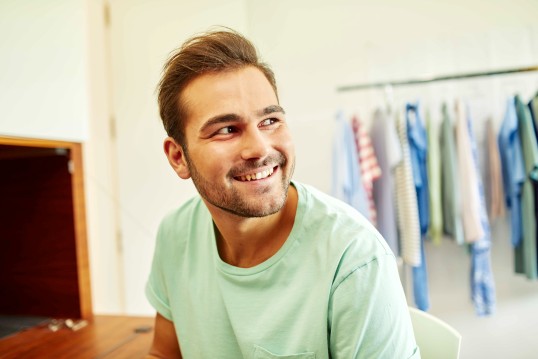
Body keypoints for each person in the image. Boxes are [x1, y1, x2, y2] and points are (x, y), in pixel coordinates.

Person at [145, 28, 419, 359]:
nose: (259, 148)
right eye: (227, 130)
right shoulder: (176, 235)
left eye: (270, 120)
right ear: (178, 157)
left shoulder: (355, 260)